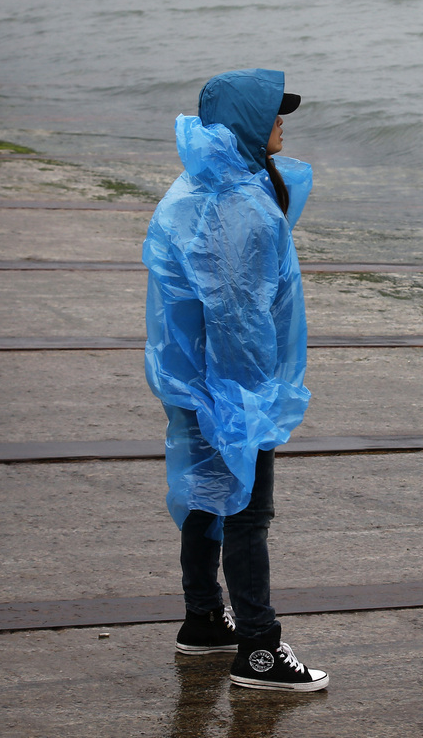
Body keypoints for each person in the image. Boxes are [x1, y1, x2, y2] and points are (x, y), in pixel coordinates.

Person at [142, 68, 328, 692]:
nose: (282, 123)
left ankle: (202, 621)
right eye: (275, 112)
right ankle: (257, 648)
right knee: (247, 511)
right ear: (248, 123)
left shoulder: (209, 186)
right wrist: (248, 397)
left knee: (207, 495)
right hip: (227, 382)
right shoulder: (238, 204)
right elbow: (237, 311)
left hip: (196, 376)